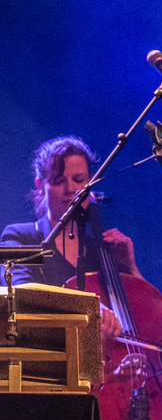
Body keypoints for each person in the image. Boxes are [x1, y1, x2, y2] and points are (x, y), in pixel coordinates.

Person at [1, 135, 142, 337]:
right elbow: (21, 291)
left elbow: (144, 313)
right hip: (48, 358)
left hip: (106, 364)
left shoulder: (99, 250)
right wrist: (87, 308)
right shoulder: (23, 236)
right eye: (58, 181)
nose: (71, 190)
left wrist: (130, 268)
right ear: (41, 185)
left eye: (79, 180)